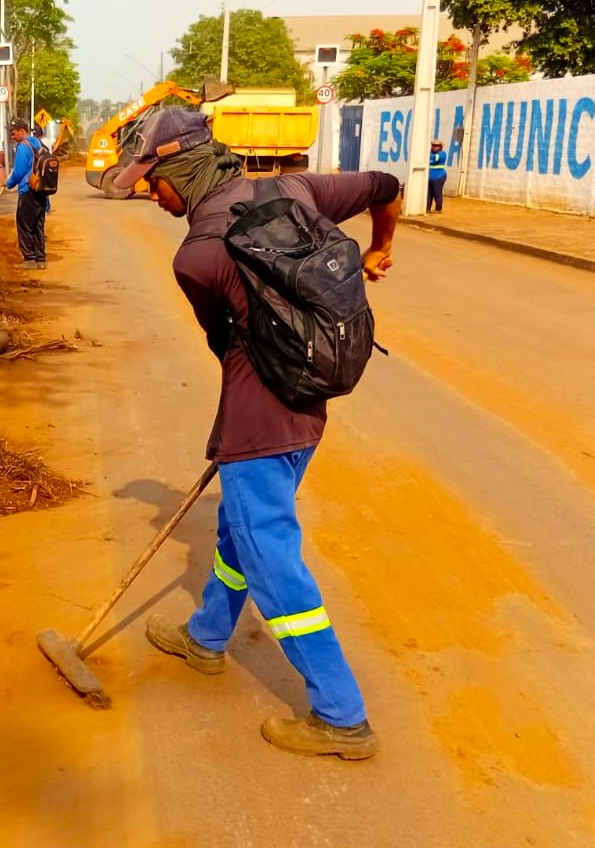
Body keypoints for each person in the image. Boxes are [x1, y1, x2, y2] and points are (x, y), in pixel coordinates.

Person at [113, 107, 400, 761]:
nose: (148, 195)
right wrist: (383, 247)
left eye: (151, 182)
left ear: (180, 170)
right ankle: (207, 637)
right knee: (237, 531)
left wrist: (239, 426)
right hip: (311, 401)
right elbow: (385, 187)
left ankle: (340, 715)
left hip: (263, 420)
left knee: (270, 553)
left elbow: (224, 343)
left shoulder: (197, 256)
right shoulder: (294, 189)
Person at [3, 119, 47, 270]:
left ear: (22, 131)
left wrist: (9, 184)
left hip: (27, 190)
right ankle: (40, 259)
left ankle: (29, 259)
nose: (12, 137)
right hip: (40, 190)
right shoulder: (37, 144)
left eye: (13, 133)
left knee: (25, 225)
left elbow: (19, 171)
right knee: (38, 225)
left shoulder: (23, 147)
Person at [428, 139, 447, 213]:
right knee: (429, 194)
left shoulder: (442, 154)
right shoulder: (430, 153)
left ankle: (438, 209)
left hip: (439, 177)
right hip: (430, 177)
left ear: (440, 147)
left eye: (437, 146)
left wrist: (426, 154)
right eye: (433, 145)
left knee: (437, 193)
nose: (434, 147)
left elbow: (435, 158)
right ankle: (427, 208)